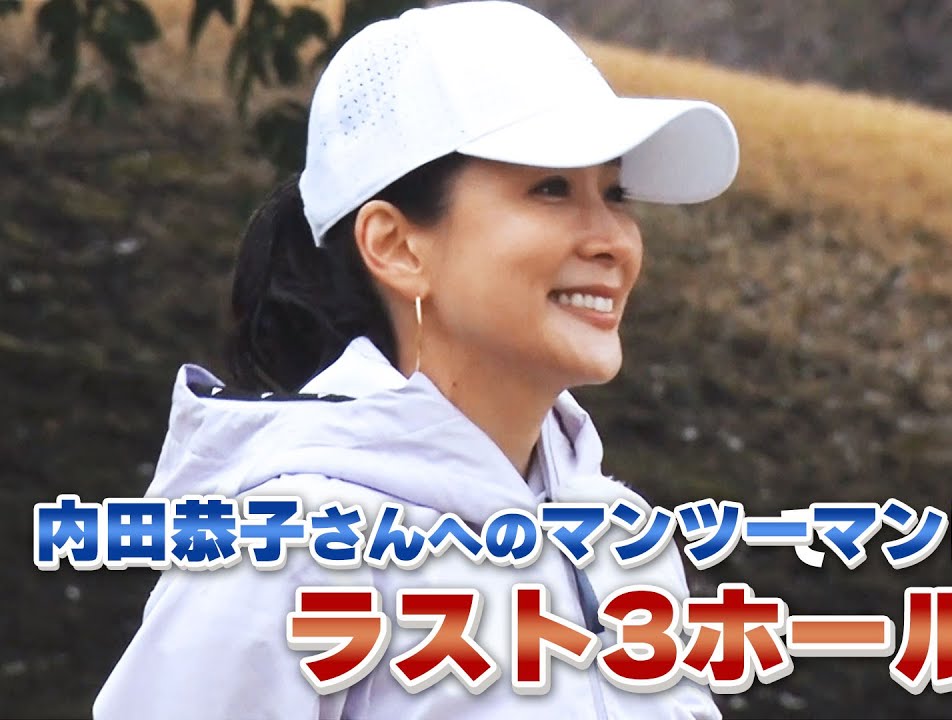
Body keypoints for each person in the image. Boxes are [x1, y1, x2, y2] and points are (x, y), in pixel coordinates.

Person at [92, 1, 739, 718]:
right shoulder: (292, 549)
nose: (612, 239)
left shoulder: (624, 544)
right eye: (551, 188)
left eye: (615, 193)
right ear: (396, 247)